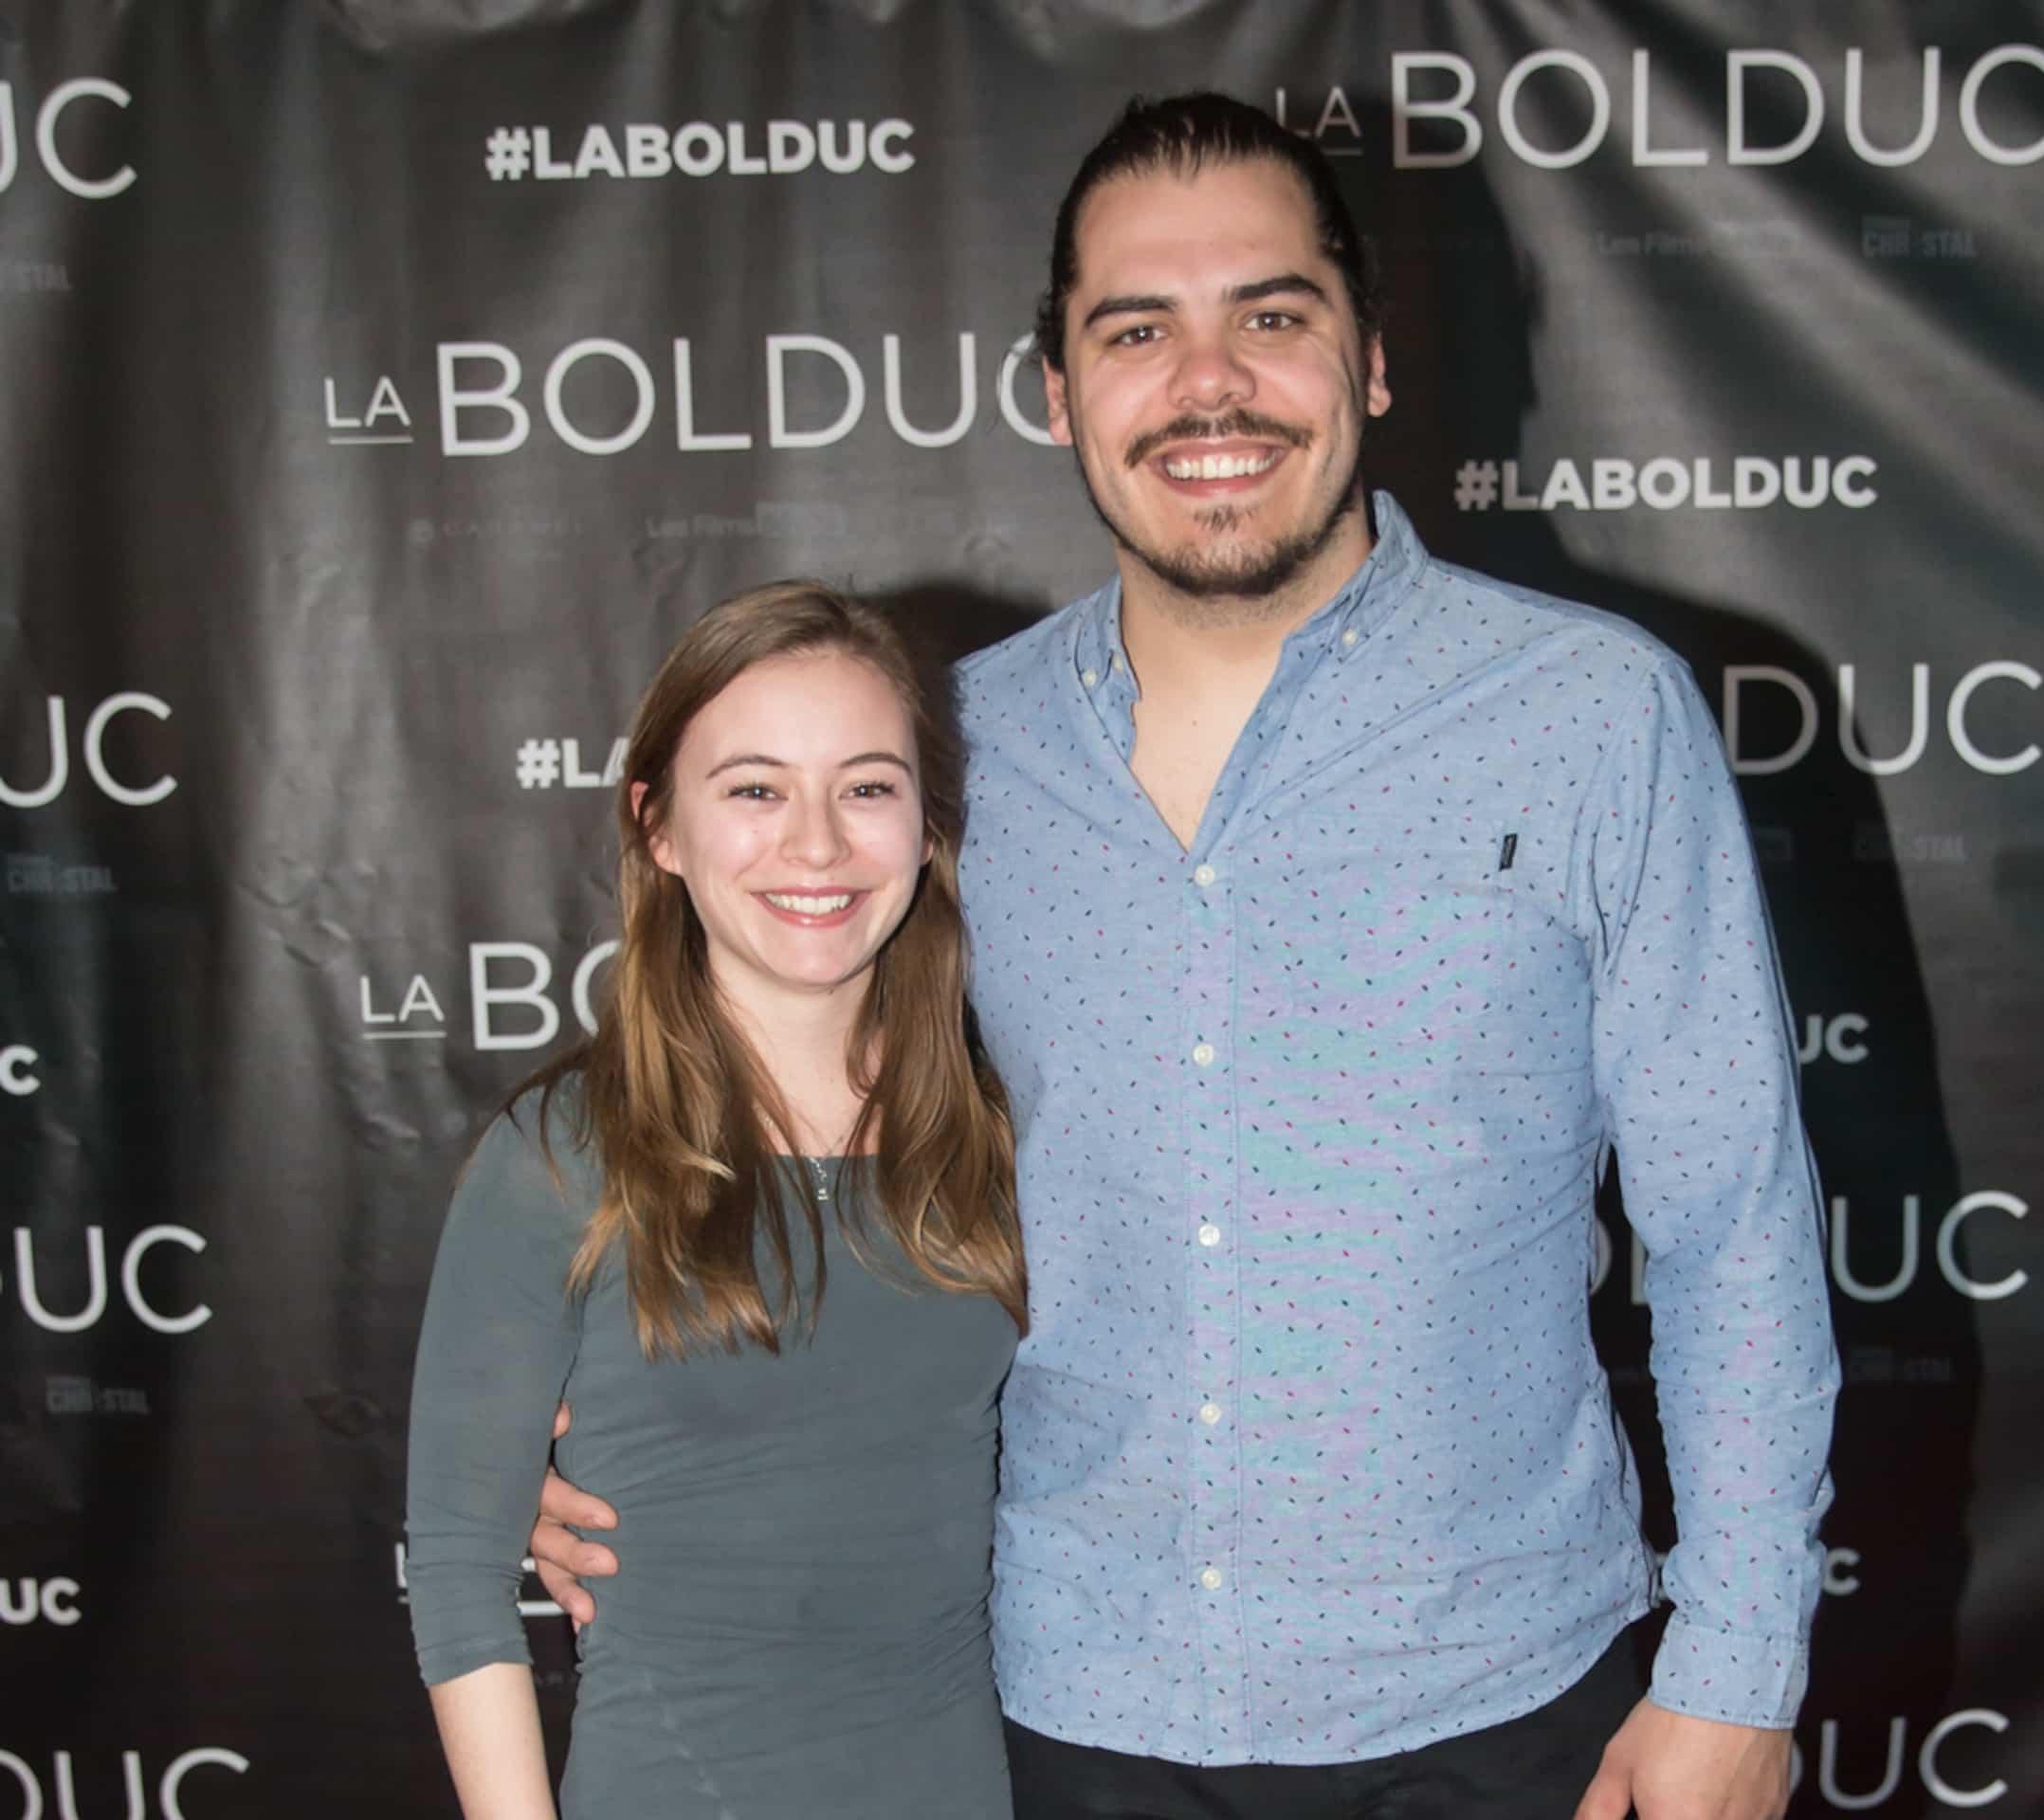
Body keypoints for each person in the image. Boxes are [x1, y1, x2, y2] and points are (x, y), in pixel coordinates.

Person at [534, 94, 1836, 1820]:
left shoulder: (1594, 718)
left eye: (1273, 316)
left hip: (1514, 1709)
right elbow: (773, 1126)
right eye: (1137, 330)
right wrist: (626, 1413)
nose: (1208, 385)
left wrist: (1739, 1672)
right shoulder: (945, 761)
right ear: (1061, 392)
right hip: (1057, 1707)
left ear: (1370, 361)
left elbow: (1731, 1216)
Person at [405, 584, 1026, 1819]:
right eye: (754, 788)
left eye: (866, 786)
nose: (816, 845)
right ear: (658, 829)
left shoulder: (991, 1137)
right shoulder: (562, 1154)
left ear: (925, 822)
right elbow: (464, 1577)